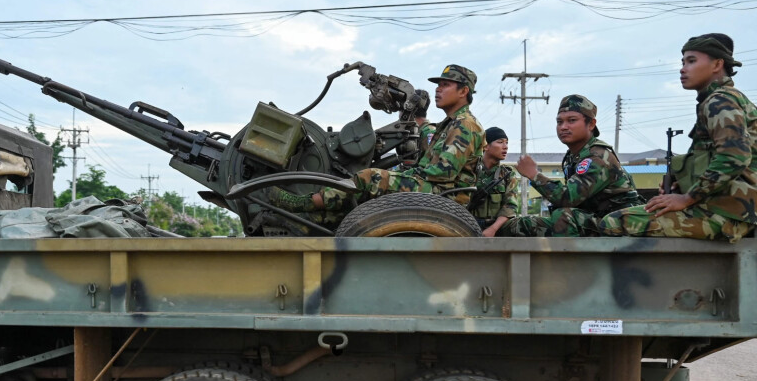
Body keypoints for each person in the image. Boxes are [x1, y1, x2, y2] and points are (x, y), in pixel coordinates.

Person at [267, 64, 485, 217]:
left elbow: (443, 173)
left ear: (463, 91)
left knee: (368, 178)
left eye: (446, 85)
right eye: (439, 84)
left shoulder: (465, 124)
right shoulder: (451, 123)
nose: (438, 89)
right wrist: (404, 174)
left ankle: (304, 203)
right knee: (359, 200)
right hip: (436, 191)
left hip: (445, 198)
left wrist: (403, 175)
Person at [600, 33, 757, 242]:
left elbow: (734, 157)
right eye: (683, 62)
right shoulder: (723, 99)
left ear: (717, 64)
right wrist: (681, 185)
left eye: (691, 61)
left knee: (613, 222)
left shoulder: (719, 101)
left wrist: (687, 198)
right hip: (729, 209)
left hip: (728, 214)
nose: (683, 69)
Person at [500, 95, 641, 237]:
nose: (563, 127)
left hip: (618, 224)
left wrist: (534, 175)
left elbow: (568, 198)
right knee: (520, 225)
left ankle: (568, 259)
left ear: (591, 124)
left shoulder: (598, 156)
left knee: (563, 215)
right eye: (559, 122)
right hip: (596, 219)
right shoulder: (575, 156)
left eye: (572, 120)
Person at [468, 127, 520, 237]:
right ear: (486, 146)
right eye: (500, 142)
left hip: (497, 227)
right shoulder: (469, 171)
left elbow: (510, 206)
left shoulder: (507, 174)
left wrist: (493, 229)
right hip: (468, 224)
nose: (505, 147)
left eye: (506, 143)